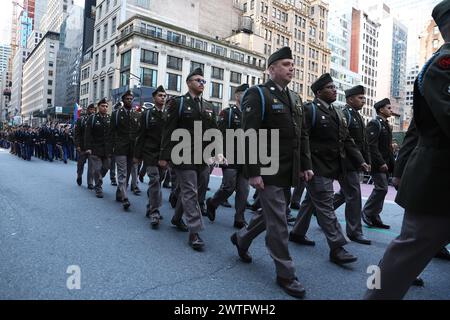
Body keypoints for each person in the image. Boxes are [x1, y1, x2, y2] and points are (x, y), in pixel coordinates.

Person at [365, 0, 450, 299]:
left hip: (428, 175)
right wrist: (391, 169)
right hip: (438, 182)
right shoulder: (444, 65)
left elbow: (414, 131)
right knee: (403, 256)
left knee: (407, 251)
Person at [231, 47, 313, 299]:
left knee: (272, 214)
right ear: (272, 68)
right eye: (286, 64)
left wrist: (306, 164)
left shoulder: (295, 98)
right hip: (267, 170)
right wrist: (253, 172)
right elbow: (248, 134)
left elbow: (302, 135)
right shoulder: (258, 95)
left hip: (288, 169)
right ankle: (286, 274)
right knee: (279, 221)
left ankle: (242, 238)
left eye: (293, 64)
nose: (292, 68)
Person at [289, 73, 369, 265]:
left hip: (333, 167)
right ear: (318, 92)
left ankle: (297, 232)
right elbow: (300, 139)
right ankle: (337, 247)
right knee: (325, 205)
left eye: (335, 87)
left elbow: (347, 140)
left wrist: (360, 160)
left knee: (311, 201)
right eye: (330, 87)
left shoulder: (338, 113)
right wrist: (303, 166)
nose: (334, 90)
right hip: (315, 167)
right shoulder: (310, 110)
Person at [160, 68, 217, 250]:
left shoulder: (209, 106)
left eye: (203, 81)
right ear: (189, 82)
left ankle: (177, 218)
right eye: (198, 80)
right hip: (182, 154)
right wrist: (164, 156)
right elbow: (168, 130)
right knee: (190, 191)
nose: (202, 83)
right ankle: (195, 232)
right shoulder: (178, 103)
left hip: (203, 156)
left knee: (196, 190)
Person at [206, 83, 250, 229]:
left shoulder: (251, 113)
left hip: (246, 157)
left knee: (244, 190)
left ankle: (239, 218)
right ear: (237, 96)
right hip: (230, 155)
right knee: (228, 187)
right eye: (244, 93)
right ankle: (212, 203)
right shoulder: (228, 113)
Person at [333, 85, 372, 245]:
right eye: (360, 98)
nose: (363, 101)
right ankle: (355, 231)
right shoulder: (345, 114)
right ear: (350, 99)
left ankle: (319, 211)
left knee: (345, 193)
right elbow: (344, 141)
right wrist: (358, 161)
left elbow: (363, 143)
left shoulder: (357, 116)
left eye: (364, 98)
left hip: (354, 162)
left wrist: (365, 160)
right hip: (347, 162)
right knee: (354, 195)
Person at [134, 85, 167, 228]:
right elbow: (140, 136)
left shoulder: (169, 114)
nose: (163, 98)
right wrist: (137, 156)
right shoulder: (147, 115)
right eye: (160, 95)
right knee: (154, 180)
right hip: (150, 153)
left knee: (158, 182)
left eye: (165, 96)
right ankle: (154, 212)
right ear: (154, 98)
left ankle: (150, 206)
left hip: (164, 154)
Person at [361, 98, 395, 229]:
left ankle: (375, 216)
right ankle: (367, 212)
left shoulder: (386, 124)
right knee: (381, 188)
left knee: (383, 190)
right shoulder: (375, 123)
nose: (391, 110)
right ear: (381, 110)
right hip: (377, 164)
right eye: (389, 108)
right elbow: (371, 146)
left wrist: (391, 164)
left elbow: (388, 148)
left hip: (385, 164)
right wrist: (380, 162)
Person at [108, 90, 141, 210]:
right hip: (120, 148)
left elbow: (139, 133)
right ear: (123, 100)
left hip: (132, 149)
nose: (130, 100)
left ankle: (119, 193)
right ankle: (125, 198)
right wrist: (110, 150)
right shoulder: (116, 114)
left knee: (127, 173)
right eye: (127, 99)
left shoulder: (137, 114)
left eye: (131, 99)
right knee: (122, 172)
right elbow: (111, 133)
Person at [85, 98, 112, 198]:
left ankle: (99, 178)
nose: (105, 108)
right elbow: (88, 135)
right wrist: (88, 147)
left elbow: (112, 134)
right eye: (102, 106)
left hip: (107, 149)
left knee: (106, 167)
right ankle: (98, 188)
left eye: (106, 106)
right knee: (97, 169)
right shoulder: (92, 118)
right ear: (98, 107)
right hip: (95, 148)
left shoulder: (110, 118)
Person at [75, 104, 96, 188]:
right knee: (80, 164)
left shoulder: (96, 119)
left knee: (91, 166)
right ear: (87, 110)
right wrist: (78, 145)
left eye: (94, 110)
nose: (93, 111)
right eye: (91, 109)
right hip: (82, 147)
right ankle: (79, 176)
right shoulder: (81, 120)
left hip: (92, 147)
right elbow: (77, 134)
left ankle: (90, 183)